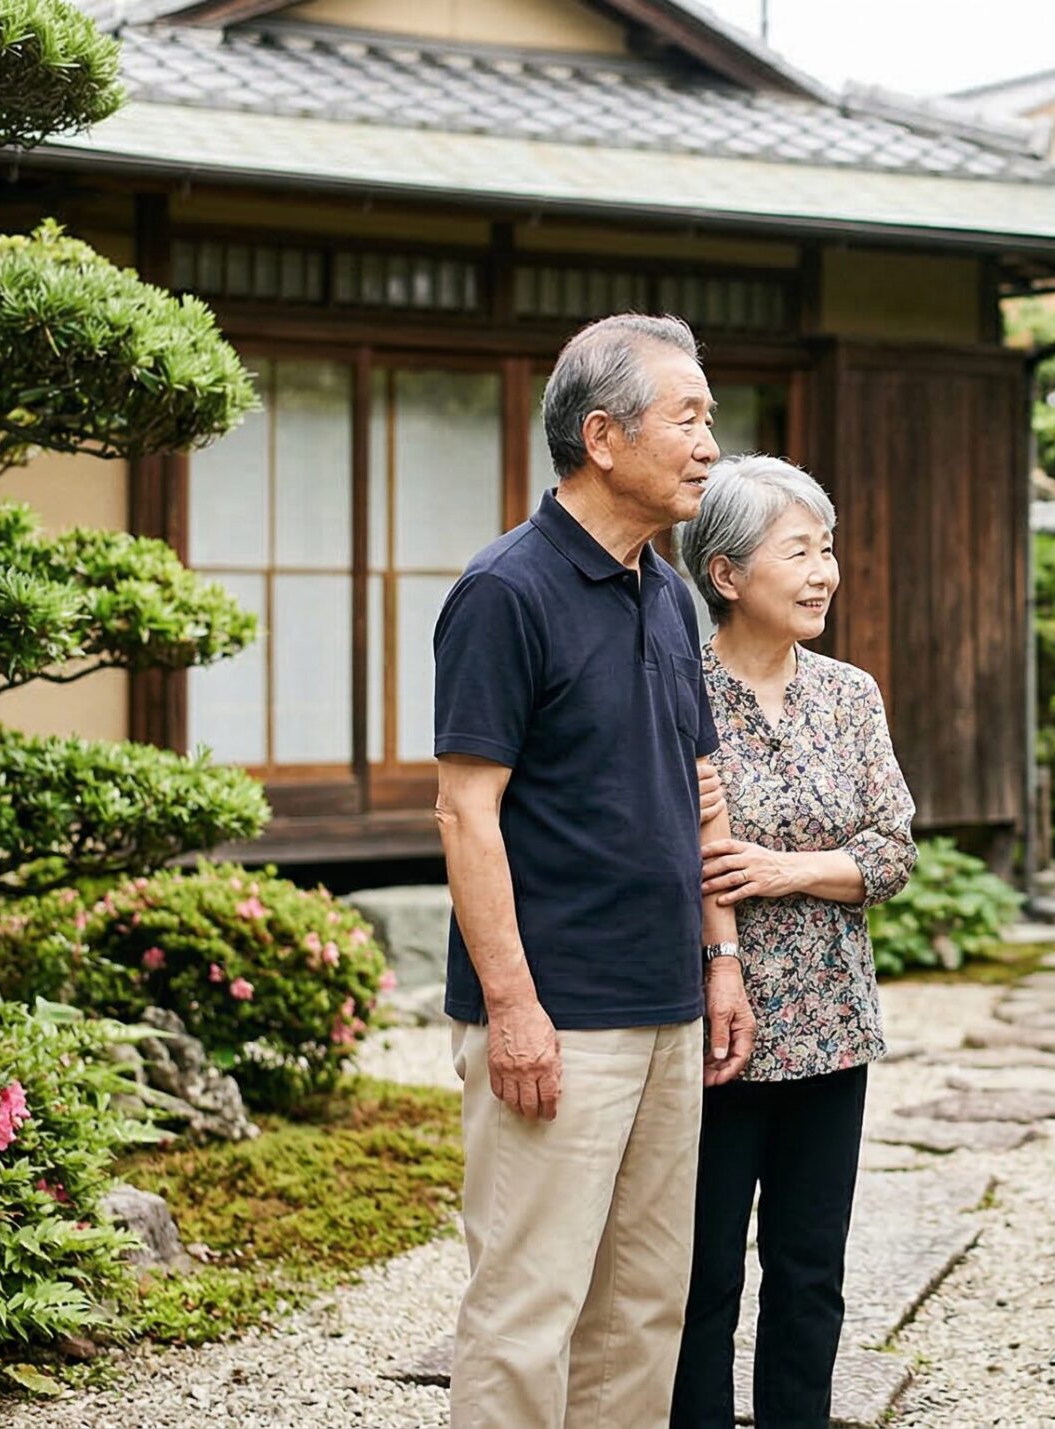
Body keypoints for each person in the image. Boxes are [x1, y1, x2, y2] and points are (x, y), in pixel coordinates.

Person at [433, 312, 756, 1429]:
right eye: (690, 417)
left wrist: (722, 958)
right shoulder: (504, 592)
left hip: (668, 1004)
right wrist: (513, 1007)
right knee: (528, 1310)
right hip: (557, 1019)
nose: (711, 444)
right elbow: (466, 811)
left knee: (640, 1312)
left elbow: (699, 794)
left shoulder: (666, 591)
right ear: (605, 436)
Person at [667, 454, 918, 1429]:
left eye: (828, 551)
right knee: (701, 1275)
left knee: (810, 1269)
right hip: (712, 1029)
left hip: (832, 1023)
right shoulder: (679, 693)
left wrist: (780, 870)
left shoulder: (848, 694)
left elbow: (891, 853)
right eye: (799, 551)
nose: (823, 573)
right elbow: (675, 847)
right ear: (725, 574)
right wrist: (814, 868)